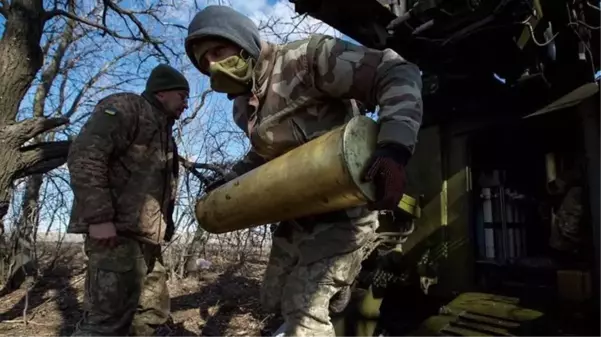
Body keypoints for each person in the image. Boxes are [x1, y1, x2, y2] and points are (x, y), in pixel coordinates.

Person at [184, 5, 423, 337]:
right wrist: (227, 180)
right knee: (272, 299)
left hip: (345, 208)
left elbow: (395, 72)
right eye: (204, 61)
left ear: (243, 43)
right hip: (298, 213)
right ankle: (341, 288)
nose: (212, 65)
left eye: (218, 51)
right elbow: (264, 155)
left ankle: (332, 287)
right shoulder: (243, 109)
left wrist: (394, 148)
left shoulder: (305, 58)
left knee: (304, 307)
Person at [66, 64, 190, 337]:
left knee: (151, 318)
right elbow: (85, 155)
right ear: (161, 93)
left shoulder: (164, 133)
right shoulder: (126, 108)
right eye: (183, 96)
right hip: (115, 236)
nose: (186, 105)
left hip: (145, 242)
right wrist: (99, 218)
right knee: (106, 324)